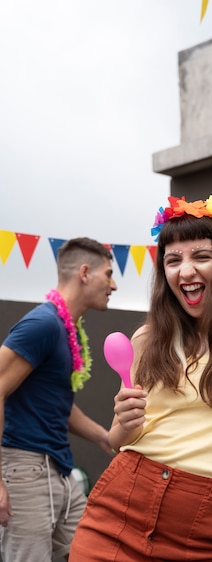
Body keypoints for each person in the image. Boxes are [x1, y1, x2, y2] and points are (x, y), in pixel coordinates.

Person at [69, 195, 212, 562]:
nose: (185, 271)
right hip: (119, 509)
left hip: (208, 527)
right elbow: (118, 439)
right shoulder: (145, 340)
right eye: (173, 261)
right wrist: (122, 423)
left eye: (201, 257)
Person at [0, 236, 118, 562]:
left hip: (59, 470)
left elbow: (53, 404)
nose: (114, 285)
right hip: (25, 472)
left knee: (92, 552)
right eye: (108, 274)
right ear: (84, 272)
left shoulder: (68, 329)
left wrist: (104, 437)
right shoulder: (43, 324)